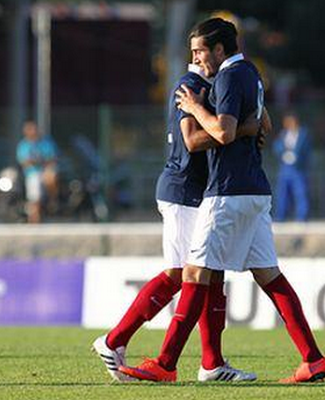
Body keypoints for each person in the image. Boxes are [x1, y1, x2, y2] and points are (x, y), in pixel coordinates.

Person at [120, 18, 325, 383]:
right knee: (270, 276)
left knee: (195, 272)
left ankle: (166, 364)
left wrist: (196, 107)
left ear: (220, 49)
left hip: (229, 192)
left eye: (201, 50)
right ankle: (312, 359)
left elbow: (222, 131)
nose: (197, 59)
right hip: (255, 190)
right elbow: (264, 124)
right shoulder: (253, 74)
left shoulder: (230, 76)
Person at [93, 63, 263, 382]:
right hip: (183, 191)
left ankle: (213, 363)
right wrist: (242, 129)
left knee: (210, 274)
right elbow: (192, 141)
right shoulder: (191, 85)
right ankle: (114, 340)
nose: (203, 57)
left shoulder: (212, 86)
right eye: (197, 50)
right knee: (182, 274)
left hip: (195, 193)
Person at [16, 121, 59, 223]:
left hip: (45, 172)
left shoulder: (46, 143)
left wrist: (40, 163)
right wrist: (41, 161)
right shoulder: (23, 145)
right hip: (32, 173)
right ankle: (34, 219)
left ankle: (53, 201)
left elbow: (53, 159)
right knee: (35, 193)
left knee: (51, 175)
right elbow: (25, 162)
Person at [272, 112, 311, 221]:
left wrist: (297, 157)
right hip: (285, 168)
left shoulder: (303, 134)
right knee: (282, 194)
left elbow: (306, 150)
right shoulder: (283, 134)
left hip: (298, 169)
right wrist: (283, 154)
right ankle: (280, 217)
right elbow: (277, 146)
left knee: (300, 193)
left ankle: (301, 218)